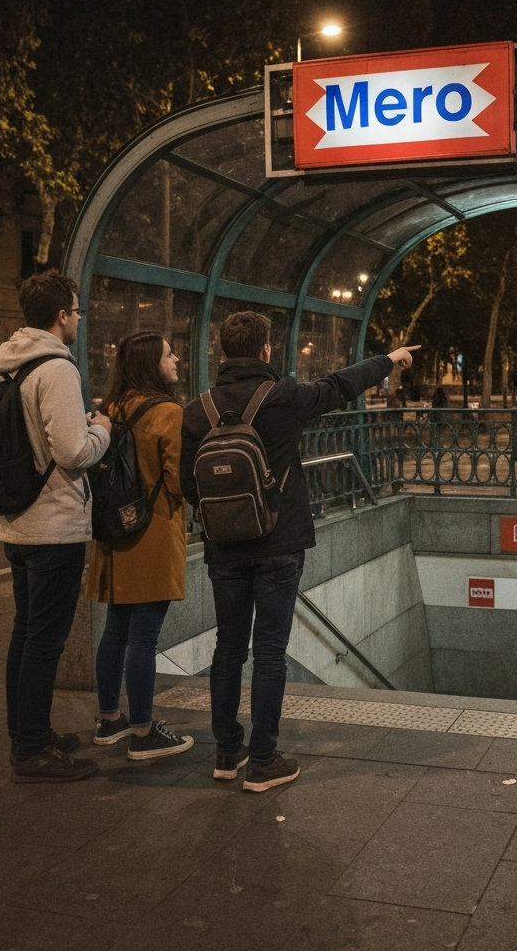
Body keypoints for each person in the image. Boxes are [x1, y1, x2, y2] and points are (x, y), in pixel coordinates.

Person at [180, 311, 418, 793]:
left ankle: (227, 752)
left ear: (224, 351)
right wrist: (388, 360)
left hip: (224, 548)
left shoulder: (197, 409)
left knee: (228, 647)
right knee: (269, 650)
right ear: (265, 349)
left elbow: (190, 484)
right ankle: (263, 759)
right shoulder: (283, 396)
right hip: (278, 543)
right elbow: (340, 385)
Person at [0, 269, 112, 783]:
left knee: (25, 634)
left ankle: (28, 734)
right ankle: (32, 749)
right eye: (77, 311)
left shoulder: (11, 363)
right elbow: (73, 453)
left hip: (17, 521)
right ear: (62, 315)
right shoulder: (57, 368)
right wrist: (101, 430)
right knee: (44, 641)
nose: (79, 319)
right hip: (53, 526)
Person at [87, 332, 194, 761]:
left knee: (116, 630)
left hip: (114, 533)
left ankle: (109, 718)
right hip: (152, 534)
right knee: (144, 639)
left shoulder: (110, 409)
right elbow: (178, 482)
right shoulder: (168, 412)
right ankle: (144, 732)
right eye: (169, 354)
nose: (176, 359)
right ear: (152, 363)